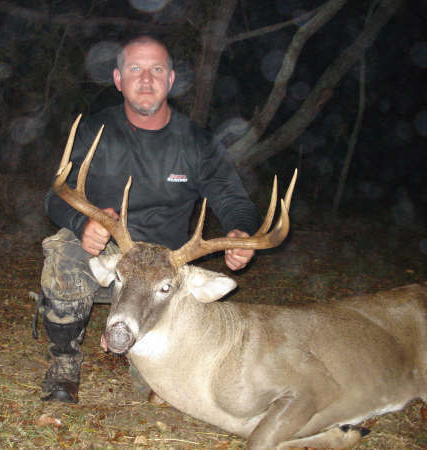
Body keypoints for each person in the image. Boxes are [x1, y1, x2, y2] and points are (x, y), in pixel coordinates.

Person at [39, 35, 259, 403]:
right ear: (118, 79)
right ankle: (64, 362)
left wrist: (240, 232)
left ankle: (142, 349)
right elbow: (55, 196)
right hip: (111, 256)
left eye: (157, 69)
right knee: (64, 252)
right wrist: (82, 225)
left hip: (164, 273)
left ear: (170, 80)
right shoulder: (96, 131)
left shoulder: (197, 142)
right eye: (135, 69)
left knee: (163, 395)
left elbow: (234, 199)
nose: (145, 79)